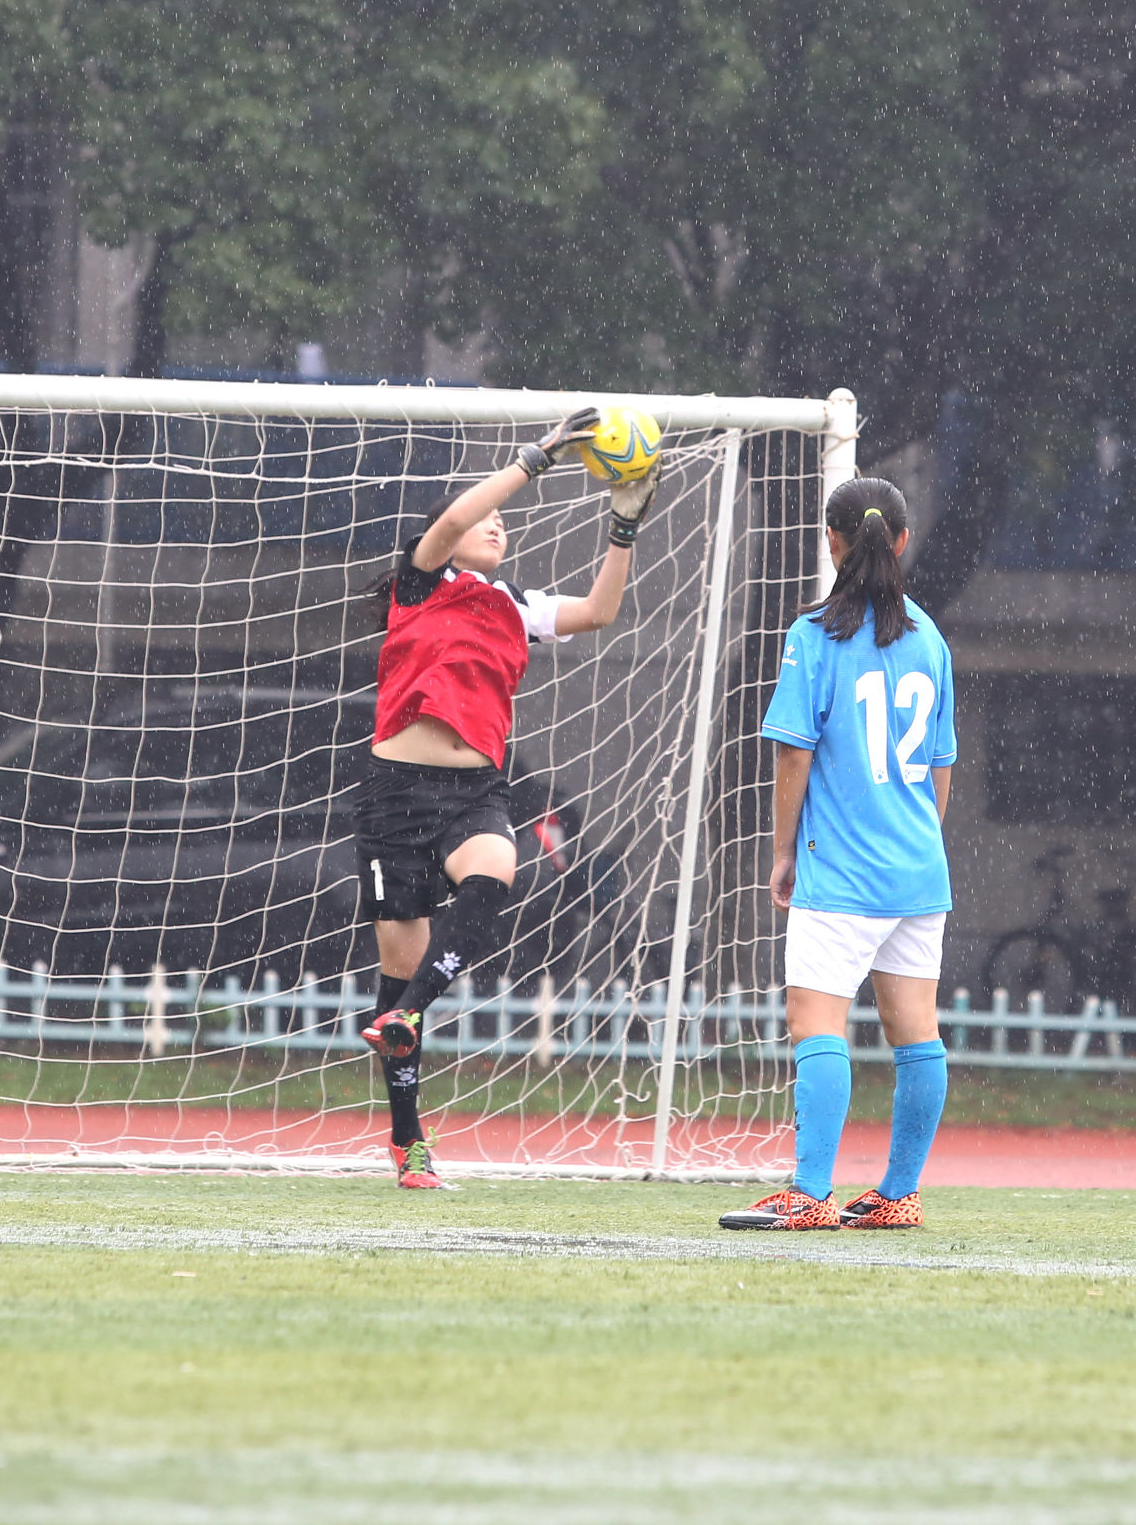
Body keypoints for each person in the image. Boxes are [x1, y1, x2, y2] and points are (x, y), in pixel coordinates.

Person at [356, 411, 663, 1188]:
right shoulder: (418, 582)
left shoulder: (512, 604)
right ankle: (407, 1141)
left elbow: (598, 612)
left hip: (473, 791)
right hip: (396, 795)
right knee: (399, 960)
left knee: (496, 872)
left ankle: (410, 1013)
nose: (496, 527)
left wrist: (622, 529)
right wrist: (537, 457)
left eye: (502, 523)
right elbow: (458, 512)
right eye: (484, 520)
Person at [722, 477, 955, 1231]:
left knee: (816, 1024)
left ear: (833, 540)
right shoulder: (930, 638)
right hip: (919, 869)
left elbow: (793, 757)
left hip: (843, 869)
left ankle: (811, 1192)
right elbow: (940, 768)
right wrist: (921, 841)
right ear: (903, 542)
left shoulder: (813, 634)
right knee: (917, 1031)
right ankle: (899, 1192)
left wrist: (782, 851)